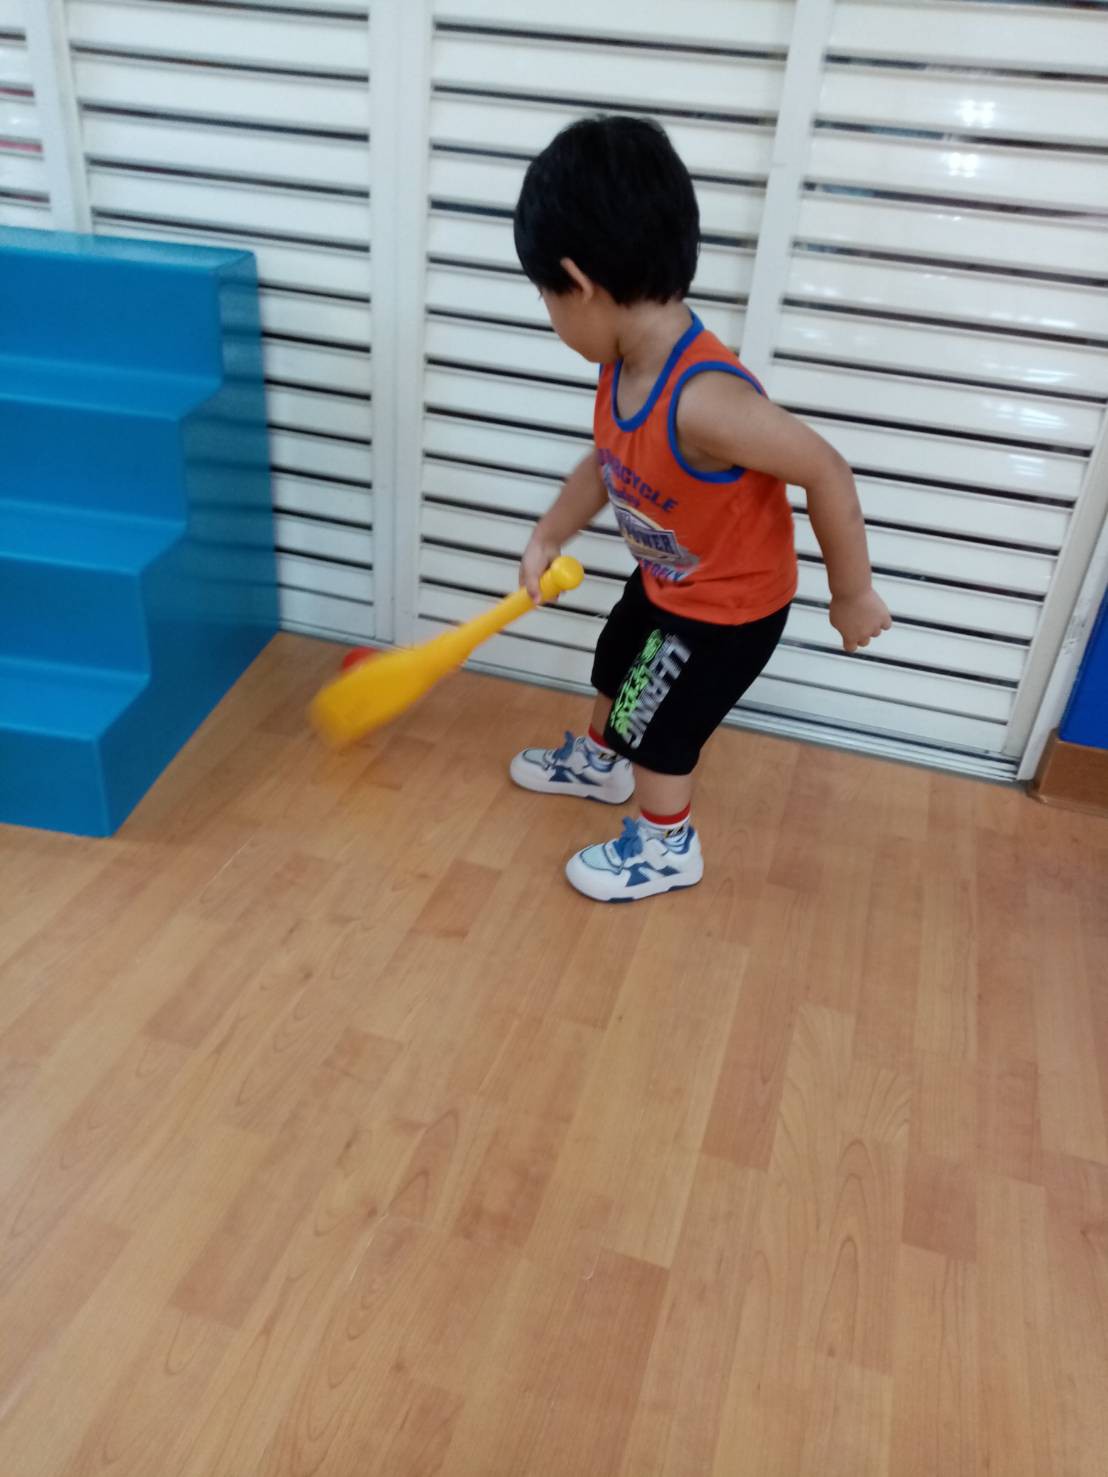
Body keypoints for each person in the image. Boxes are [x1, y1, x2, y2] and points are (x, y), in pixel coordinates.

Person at [509, 115, 891, 902]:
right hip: (669, 580)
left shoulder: (704, 400)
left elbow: (824, 469)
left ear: (579, 283)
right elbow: (606, 464)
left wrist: (851, 592)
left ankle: (665, 845)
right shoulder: (622, 365)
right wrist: (549, 532)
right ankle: (601, 764)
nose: (550, 316)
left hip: (729, 613)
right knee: (618, 662)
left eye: (546, 296)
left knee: (660, 725)